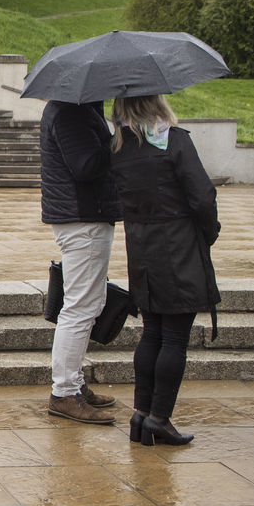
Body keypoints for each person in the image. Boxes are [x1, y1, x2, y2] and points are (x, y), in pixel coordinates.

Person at [110, 95, 219, 446]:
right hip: (178, 247)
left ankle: (141, 415)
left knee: (152, 333)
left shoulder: (120, 146)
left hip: (141, 250)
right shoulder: (173, 139)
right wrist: (208, 232)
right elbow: (202, 197)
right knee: (173, 337)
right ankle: (159, 418)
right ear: (154, 101)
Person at [39, 100, 122, 424]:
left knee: (88, 302)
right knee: (81, 306)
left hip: (83, 215)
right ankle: (64, 393)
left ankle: (72, 383)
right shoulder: (71, 111)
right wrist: (119, 140)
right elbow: (85, 165)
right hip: (82, 217)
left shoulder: (79, 109)